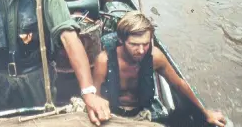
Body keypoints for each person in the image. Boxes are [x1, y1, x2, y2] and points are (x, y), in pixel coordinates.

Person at [93, 11, 227, 126]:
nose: (141, 51)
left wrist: (205, 113)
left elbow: (179, 85)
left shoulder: (155, 56)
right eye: (134, 44)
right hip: (112, 115)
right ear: (121, 40)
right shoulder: (104, 61)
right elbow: (95, 97)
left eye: (145, 44)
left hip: (141, 114)